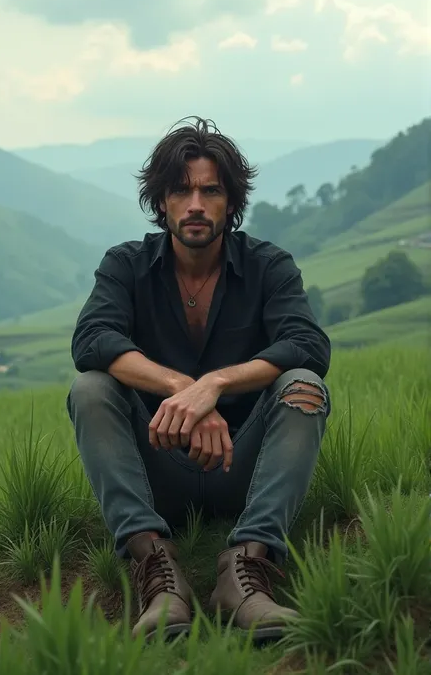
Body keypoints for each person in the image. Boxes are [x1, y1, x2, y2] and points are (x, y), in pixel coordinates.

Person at [67, 116, 332, 644]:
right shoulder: (126, 265)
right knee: (91, 389)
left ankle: (249, 568)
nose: (195, 204)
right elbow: (92, 339)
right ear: (160, 201)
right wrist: (183, 388)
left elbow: (307, 344)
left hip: (246, 466)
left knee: (303, 382)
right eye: (180, 189)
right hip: (156, 467)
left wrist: (215, 384)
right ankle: (157, 573)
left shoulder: (268, 266)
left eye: (210, 190)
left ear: (230, 202)